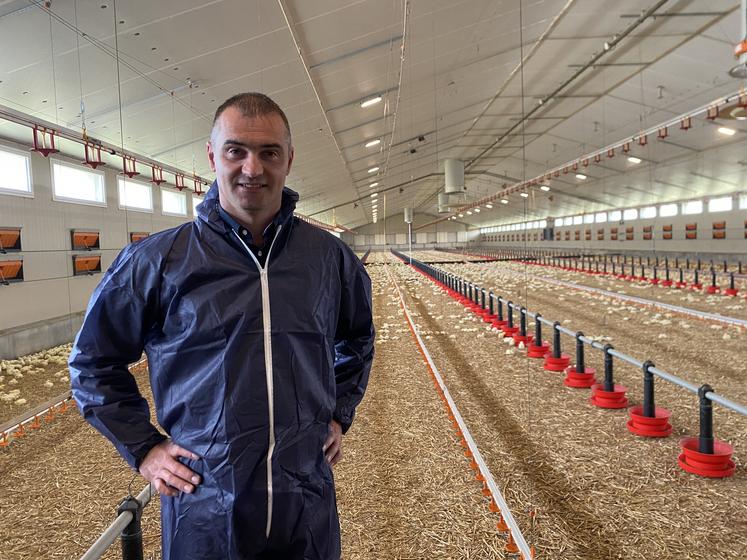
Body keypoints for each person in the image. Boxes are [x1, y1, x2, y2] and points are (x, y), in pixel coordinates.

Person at [69, 92, 375, 560]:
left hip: (304, 500)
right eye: (236, 150)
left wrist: (338, 412)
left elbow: (357, 336)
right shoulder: (159, 261)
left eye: (269, 152)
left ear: (289, 160)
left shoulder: (328, 258)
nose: (252, 168)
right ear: (213, 156)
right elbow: (93, 362)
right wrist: (145, 448)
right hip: (206, 505)